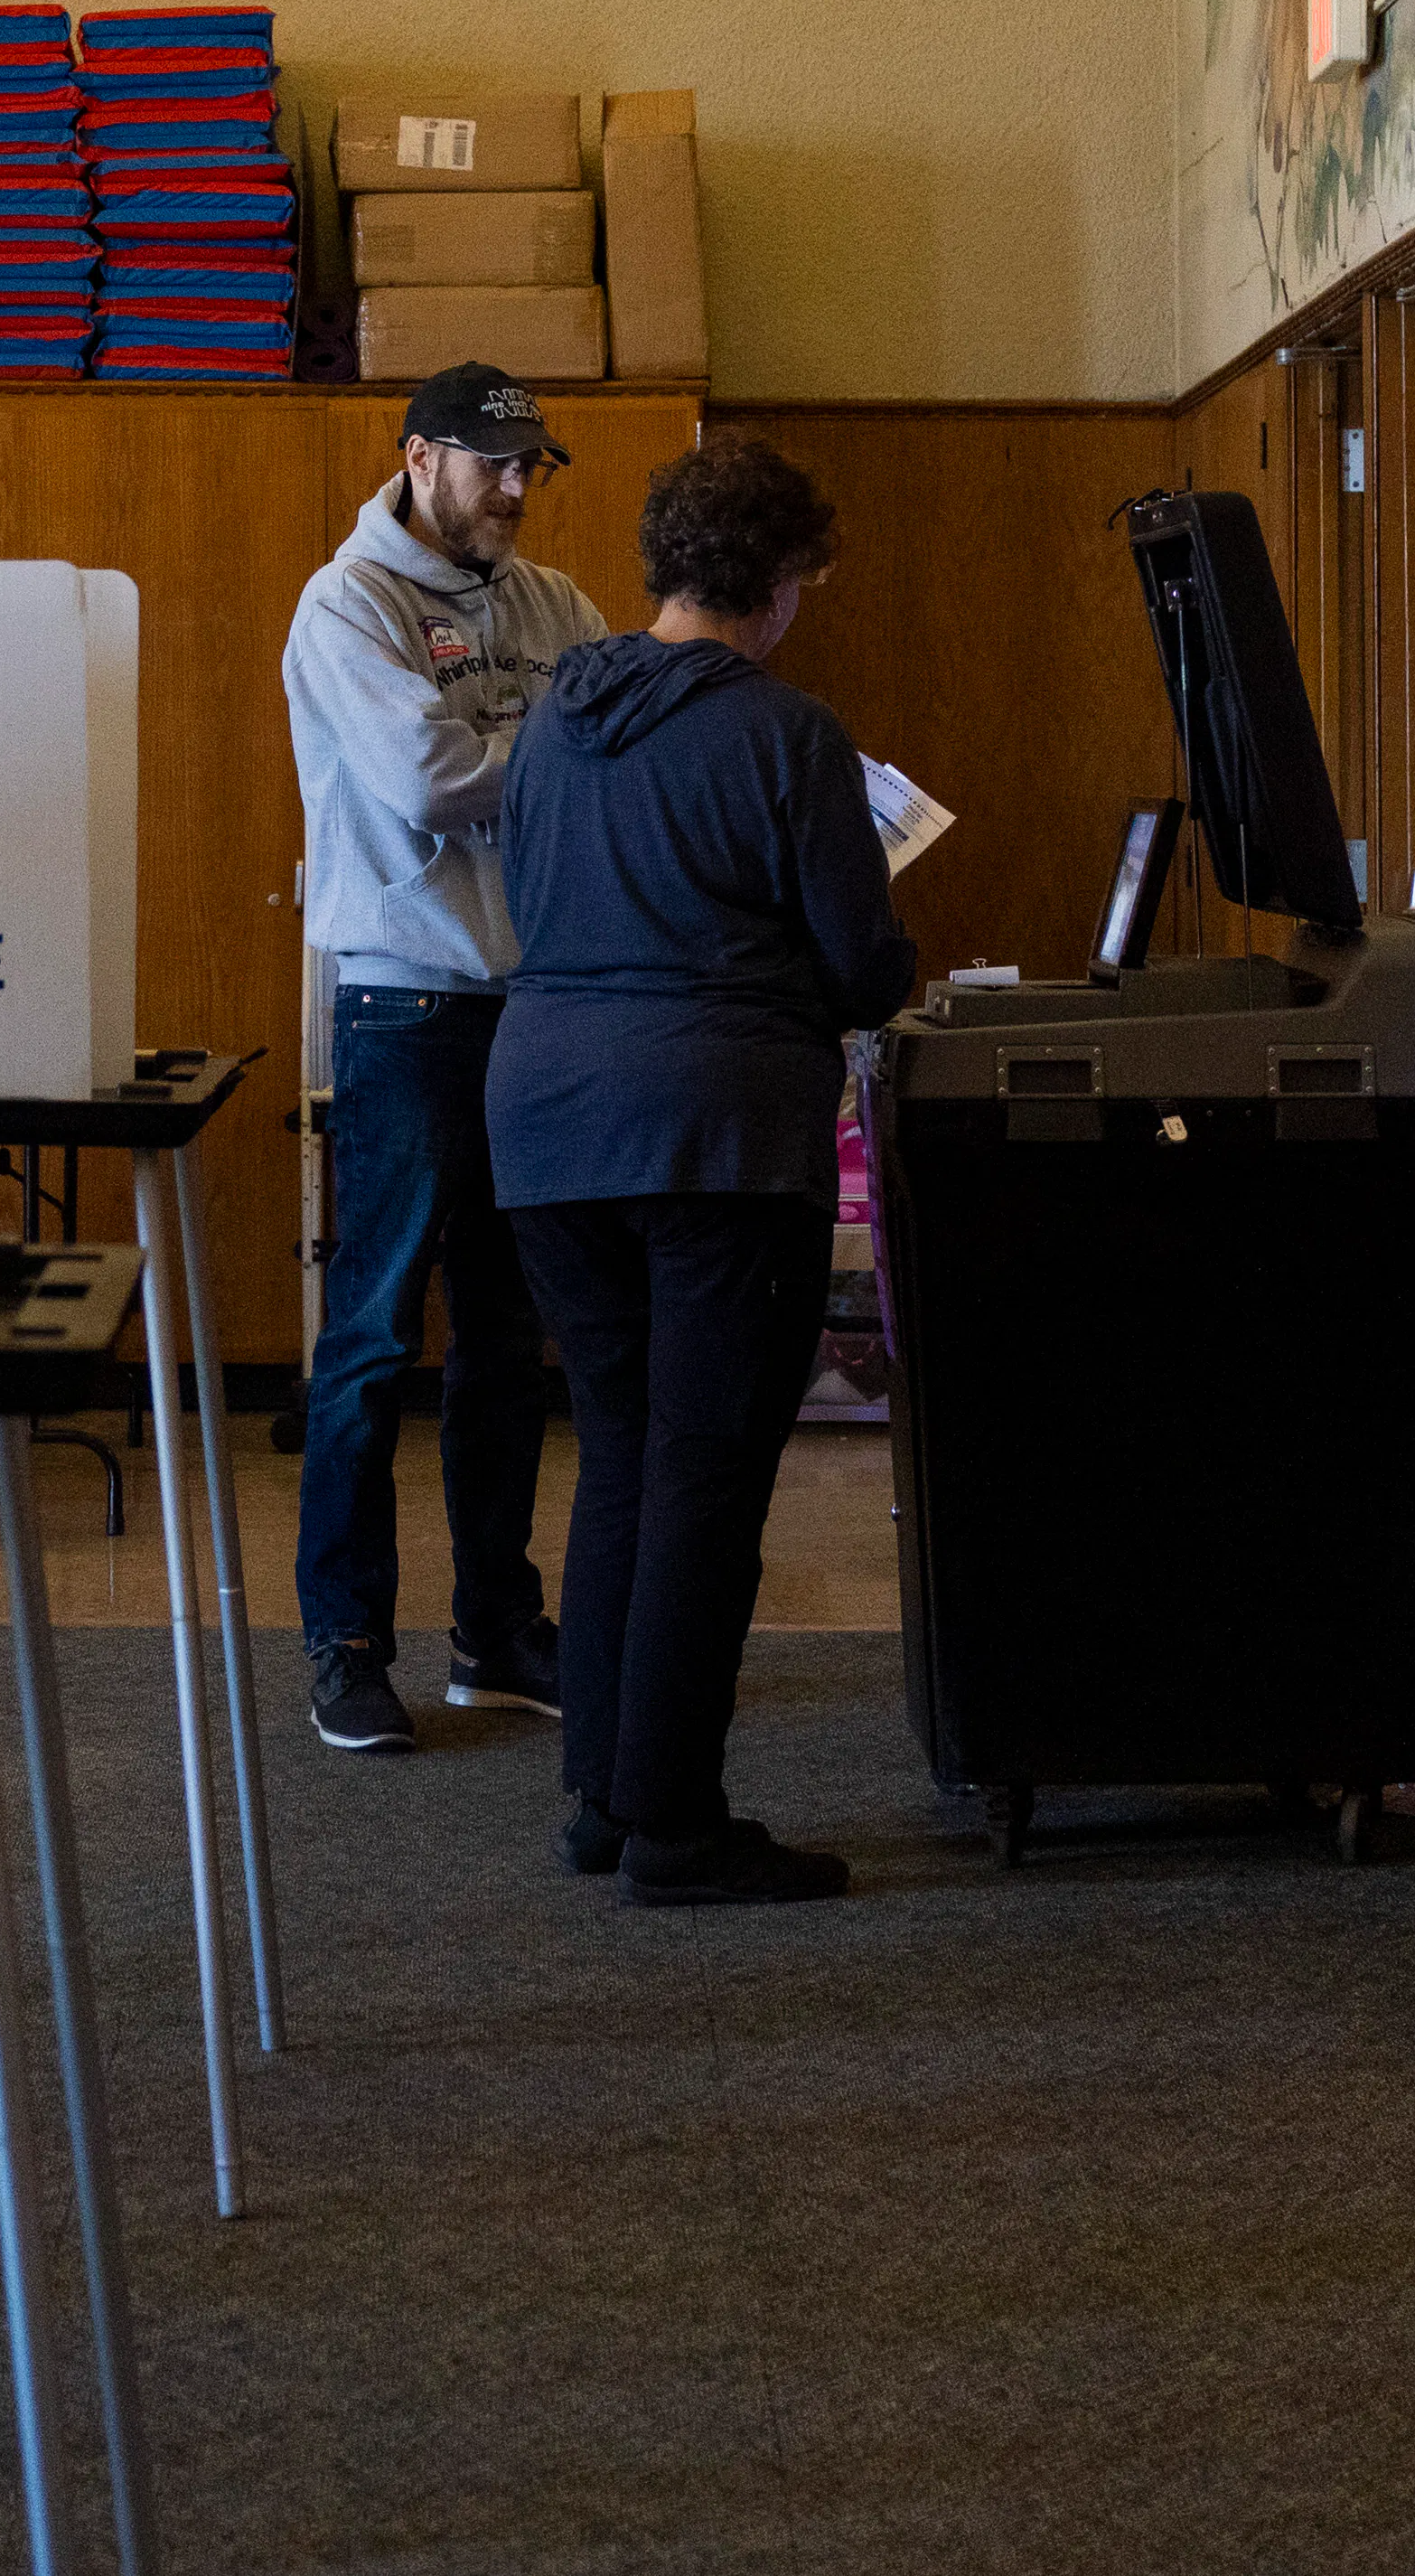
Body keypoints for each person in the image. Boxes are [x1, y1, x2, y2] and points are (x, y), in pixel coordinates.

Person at [484, 429, 910, 1905]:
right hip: (716, 1133)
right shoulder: (787, 737)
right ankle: (674, 1821)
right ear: (779, 584)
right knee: (707, 1476)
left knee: (619, 1452)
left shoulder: (550, 717)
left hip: (543, 1122)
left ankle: (603, 1793)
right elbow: (862, 967)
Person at [280, 361, 608, 1755]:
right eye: (495, 468)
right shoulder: (346, 603)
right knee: (367, 1342)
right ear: (421, 458)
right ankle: (349, 1642)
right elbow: (425, 782)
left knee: (504, 1346)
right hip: (406, 1009)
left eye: (535, 467)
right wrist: (550, 753)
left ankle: (495, 1630)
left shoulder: (550, 603)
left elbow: (614, 736)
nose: (521, 492)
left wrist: (505, 748)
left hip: (533, 1010)